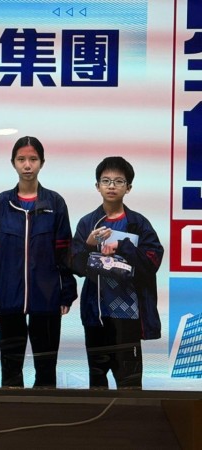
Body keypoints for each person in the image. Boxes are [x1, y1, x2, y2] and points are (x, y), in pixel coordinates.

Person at [0, 136, 77, 388]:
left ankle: (45, 407)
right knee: (10, 366)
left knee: (46, 367)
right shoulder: (2, 203)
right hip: (9, 296)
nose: (27, 165)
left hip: (46, 296)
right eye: (21, 159)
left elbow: (64, 251)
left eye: (33, 159)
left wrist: (66, 291)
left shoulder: (55, 203)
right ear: (13, 163)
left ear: (42, 163)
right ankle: (10, 408)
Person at [71, 156, 163, 389]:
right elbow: (75, 266)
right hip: (96, 315)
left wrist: (123, 246)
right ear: (97, 186)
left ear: (128, 187)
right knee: (97, 382)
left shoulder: (139, 224)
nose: (111, 186)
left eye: (118, 181)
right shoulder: (87, 223)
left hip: (129, 316)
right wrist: (89, 245)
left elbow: (152, 263)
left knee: (130, 384)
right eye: (106, 181)